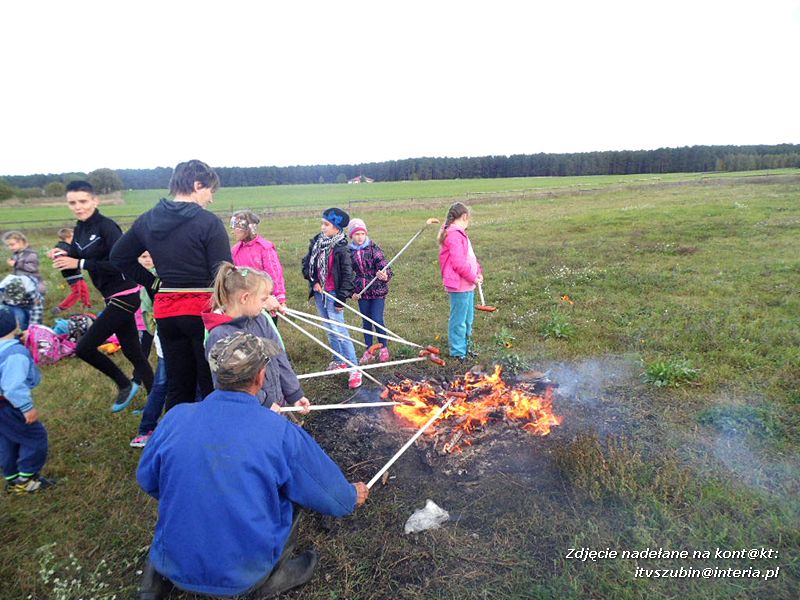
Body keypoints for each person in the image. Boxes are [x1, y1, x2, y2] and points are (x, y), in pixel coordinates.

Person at [136, 332, 368, 599]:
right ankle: (272, 576)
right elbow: (329, 496)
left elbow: (148, 480)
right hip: (242, 576)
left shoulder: (176, 417)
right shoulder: (279, 432)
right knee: (297, 490)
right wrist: (350, 496)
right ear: (260, 376)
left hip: (173, 564)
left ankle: (158, 576)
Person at [110, 159, 232, 411]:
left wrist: (154, 284)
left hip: (167, 313)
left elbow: (119, 256)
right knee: (210, 380)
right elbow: (223, 272)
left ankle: (176, 440)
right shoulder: (208, 222)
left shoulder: (147, 220)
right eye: (210, 191)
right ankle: (212, 440)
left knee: (178, 383)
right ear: (198, 185)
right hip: (203, 313)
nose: (211, 199)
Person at [48, 181, 153, 411]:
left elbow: (120, 262)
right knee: (134, 354)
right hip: (110, 296)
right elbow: (74, 261)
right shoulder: (80, 228)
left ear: (95, 201)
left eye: (83, 201)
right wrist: (61, 254)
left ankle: (124, 384)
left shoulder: (107, 227)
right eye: (72, 203)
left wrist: (79, 262)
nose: (78, 207)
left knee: (83, 348)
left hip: (125, 294)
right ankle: (156, 403)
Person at [202, 262, 310, 413]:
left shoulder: (261, 320)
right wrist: (264, 402)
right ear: (245, 298)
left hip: (276, 404)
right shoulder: (220, 336)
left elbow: (278, 356)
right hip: (249, 412)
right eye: (263, 299)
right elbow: (229, 385)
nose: (266, 304)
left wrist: (294, 394)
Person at [301, 208, 361, 389]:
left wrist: (341, 299)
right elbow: (307, 264)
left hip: (334, 294)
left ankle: (354, 368)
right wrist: (314, 282)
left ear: (336, 228)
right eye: (322, 223)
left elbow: (348, 275)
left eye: (326, 224)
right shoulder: (317, 242)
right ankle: (338, 360)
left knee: (340, 331)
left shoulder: (342, 248)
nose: (322, 227)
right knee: (329, 328)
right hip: (320, 293)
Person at [0, 308, 54, 493]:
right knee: (35, 437)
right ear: (14, 325)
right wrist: (26, 408)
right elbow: (12, 387)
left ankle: (12, 477)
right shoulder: (15, 353)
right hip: (8, 405)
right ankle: (27, 479)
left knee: (7, 439)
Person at [437, 202, 483, 360]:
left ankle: (466, 346)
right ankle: (457, 352)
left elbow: (470, 257)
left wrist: (478, 272)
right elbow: (458, 263)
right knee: (459, 320)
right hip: (459, 285)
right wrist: (472, 277)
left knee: (468, 318)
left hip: (468, 283)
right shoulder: (454, 235)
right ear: (464, 217)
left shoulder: (461, 234)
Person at [348, 218, 393, 364]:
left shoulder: (374, 248)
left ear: (366, 234)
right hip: (362, 292)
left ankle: (384, 348)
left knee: (377, 319)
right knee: (366, 321)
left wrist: (384, 275)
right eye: (356, 234)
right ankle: (369, 350)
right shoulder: (349, 252)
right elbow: (347, 274)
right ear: (351, 236)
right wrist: (351, 292)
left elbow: (385, 266)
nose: (360, 237)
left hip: (377, 289)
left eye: (362, 233)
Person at [230, 210, 287, 322]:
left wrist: (280, 299)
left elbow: (275, 275)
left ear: (248, 229)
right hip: (244, 303)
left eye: (236, 228)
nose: (233, 231)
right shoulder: (235, 250)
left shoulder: (265, 248)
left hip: (265, 301)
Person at [52, 228, 92, 314]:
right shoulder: (61, 247)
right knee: (77, 292)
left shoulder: (70, 246)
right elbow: (59, 257)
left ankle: (87, 305)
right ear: (68, 236)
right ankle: (61, 308)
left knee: (84, 288)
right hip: (70, 273)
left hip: (76, 271)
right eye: (73, 236)